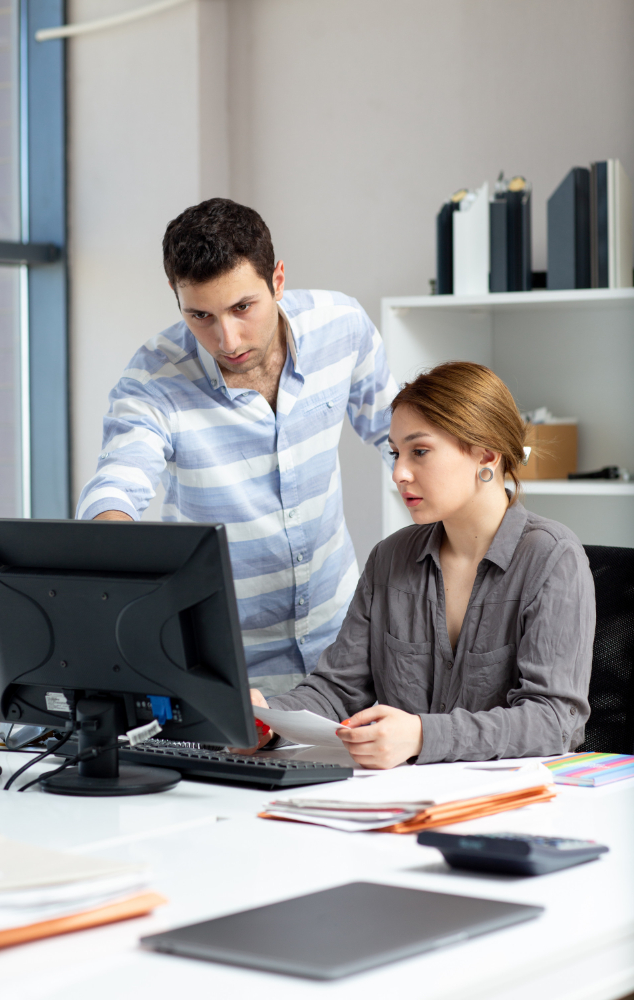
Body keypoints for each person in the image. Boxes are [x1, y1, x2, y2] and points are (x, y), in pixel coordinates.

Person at [76, 198, 397, 697]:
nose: (226, 339)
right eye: (200, 315)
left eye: (242, 307)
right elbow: (116, 486)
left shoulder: (342, 326)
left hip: (345, 651)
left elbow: (396, 435)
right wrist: (112, 555)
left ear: (279, 279)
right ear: (175, 295)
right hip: (225, 667)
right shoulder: (154, 379)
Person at [248, 361, 596, 766]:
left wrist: (421, 735)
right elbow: (338, 690)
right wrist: (267, 718)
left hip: (507, 802)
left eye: (420, 452)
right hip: (401, 796)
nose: (398, 473)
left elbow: (554, 721)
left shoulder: (552, 558)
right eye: (396, 453)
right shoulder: (390, 558)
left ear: (486, 453)